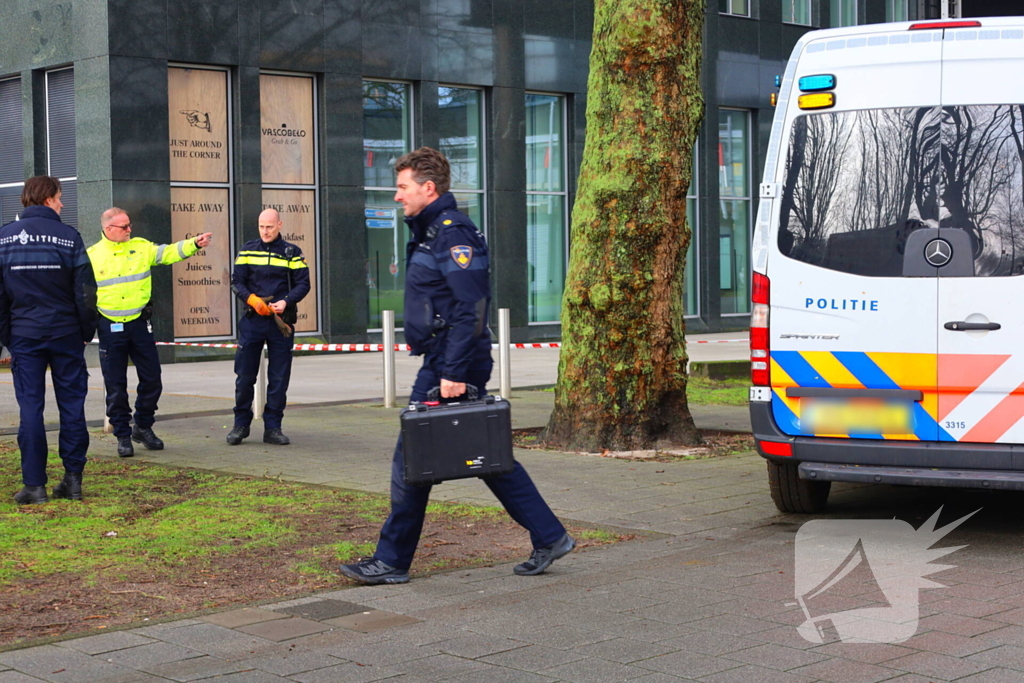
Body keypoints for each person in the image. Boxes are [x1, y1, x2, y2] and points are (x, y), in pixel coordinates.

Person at [340, 147, 575, 585]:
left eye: (402, 187)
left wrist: (452, 373)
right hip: (445, 358)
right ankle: (550, 535)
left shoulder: (452, 233)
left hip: (452, 363)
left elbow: (471, 307)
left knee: (413, 459)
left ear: (428, 188)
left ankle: (391, 561)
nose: (397, 195)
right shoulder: (432, 231)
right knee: (483, 455)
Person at [0, 176, 97, 504]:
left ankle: (34, 485)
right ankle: (73, 480)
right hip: (65, 333)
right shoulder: (69, 237)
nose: (62, 203)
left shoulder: (4, 238)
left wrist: (8, 336)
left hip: (25, 334)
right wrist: (85, 333)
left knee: (30, 408)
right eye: (59, 198)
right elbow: (86, 293)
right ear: (47, 198)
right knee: (72, 406)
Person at [87, 208, 212, 457]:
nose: (130, 230)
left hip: (139, 324)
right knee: (115, 385)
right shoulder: (92, 256)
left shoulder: (141, 247)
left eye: (130, 225)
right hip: (110, 326)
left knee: (152, 378)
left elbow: (168, 252)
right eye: (124, 227)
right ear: (109, 229)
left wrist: (194, 244)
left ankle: (143, 426)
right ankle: (123, 435)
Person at [227, 208, 309, 446]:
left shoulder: (292, 252)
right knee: (244, 376)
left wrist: (286, 302)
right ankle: (240, 425)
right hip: (253, 320)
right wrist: (251, 299)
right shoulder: (247, 250)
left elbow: (304, 283)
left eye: (270, 227)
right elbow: (236, 281)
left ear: (279, 225)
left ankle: (273, 428)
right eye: (261, 226)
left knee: (279, 378)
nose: (265, 231)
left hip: (280, 323)